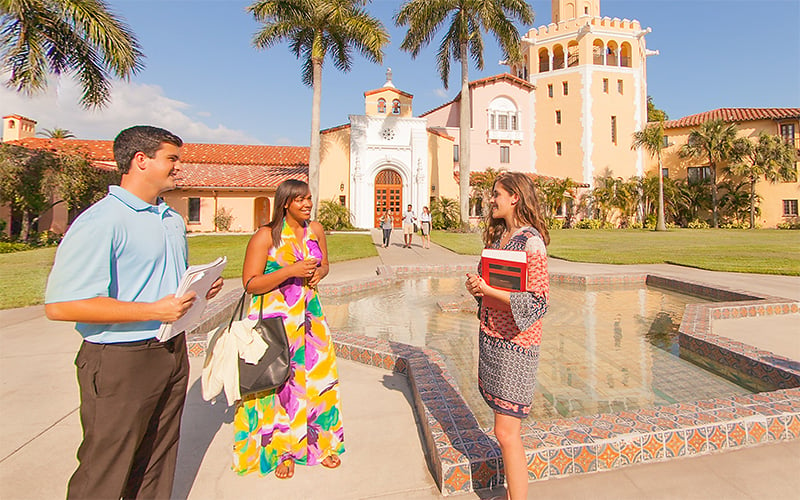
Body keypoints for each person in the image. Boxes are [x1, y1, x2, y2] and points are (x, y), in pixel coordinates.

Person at [44, 125, 224, 500]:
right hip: (120, 361)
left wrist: (199, 290)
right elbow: (61, 305)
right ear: (141, 160)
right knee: (106, 469)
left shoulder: (171, 219)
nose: (178, 167)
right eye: (171, 158)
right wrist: (153, 309)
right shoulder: (101, 221)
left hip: (171, 351)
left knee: (158, 460)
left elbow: (163, 287)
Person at [237, 179, 345, 479]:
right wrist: (290, 271)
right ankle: (283, 451)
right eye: (300, 200)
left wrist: (318, 274)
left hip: (311, 317)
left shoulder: (316, 230)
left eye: (309, 198)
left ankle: (321, 445)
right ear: (285, 202)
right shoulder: (266, 236)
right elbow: (249, 283)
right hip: (277, 321)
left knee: (319, 380)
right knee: (283, 387)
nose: (307, 204)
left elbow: (325, 265)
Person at [464, 172, 549, 500]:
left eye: (497, 193)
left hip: (517, 347)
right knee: (504, 432)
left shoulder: (531, 242)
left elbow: (539, 301)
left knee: (506, 432)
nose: (491, 199)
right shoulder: (498, 239)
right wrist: (478, 288)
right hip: (493, 339)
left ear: (515, 197)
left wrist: (488, 290)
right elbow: (491, 288)